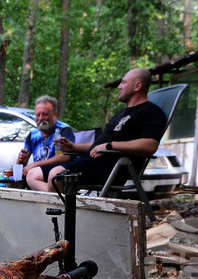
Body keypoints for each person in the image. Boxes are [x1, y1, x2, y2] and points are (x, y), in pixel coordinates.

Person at [27, 68, 166, 192]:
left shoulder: (151, 111)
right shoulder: (122, 113)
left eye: (123, 82)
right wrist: (73, 147)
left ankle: (64, 206)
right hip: (91, 163)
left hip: (112, 168)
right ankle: (62, 200)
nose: (119, 86)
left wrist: (110, 145)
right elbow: (98, 145)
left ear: (137, 86)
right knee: (33, 175)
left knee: (56, 176)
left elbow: (150, 145)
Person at [19, 96, 75, 187]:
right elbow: (22, 164)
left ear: (55, 115)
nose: (41, 118)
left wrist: (35, 165)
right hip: (38, 175)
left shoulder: (63, 130)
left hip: (58, 175)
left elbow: (65, 157)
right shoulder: (32, 135)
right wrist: (20, 159)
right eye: (38, 115)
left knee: (32, 175)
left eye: (45, 114)